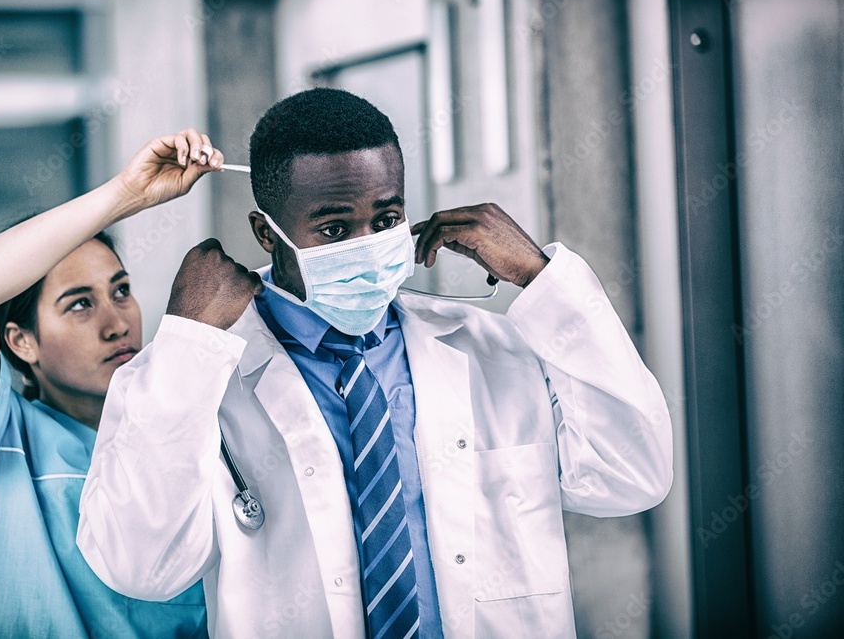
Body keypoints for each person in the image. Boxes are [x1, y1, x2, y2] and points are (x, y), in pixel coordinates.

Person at [77, 89, 673, 638]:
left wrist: (545, 282)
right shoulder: (191, 376)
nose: (367, 243)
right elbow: (142, 568)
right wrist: (188, 346)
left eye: (386, 220)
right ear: (266, 232)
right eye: (334, 227)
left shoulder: (493, 348)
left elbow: (633, 475)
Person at [0, 129, 228, 637]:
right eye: (80, 304)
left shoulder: (181, 420)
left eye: (121, 291)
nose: (117, 323)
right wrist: (125, 197)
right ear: (22, 342)